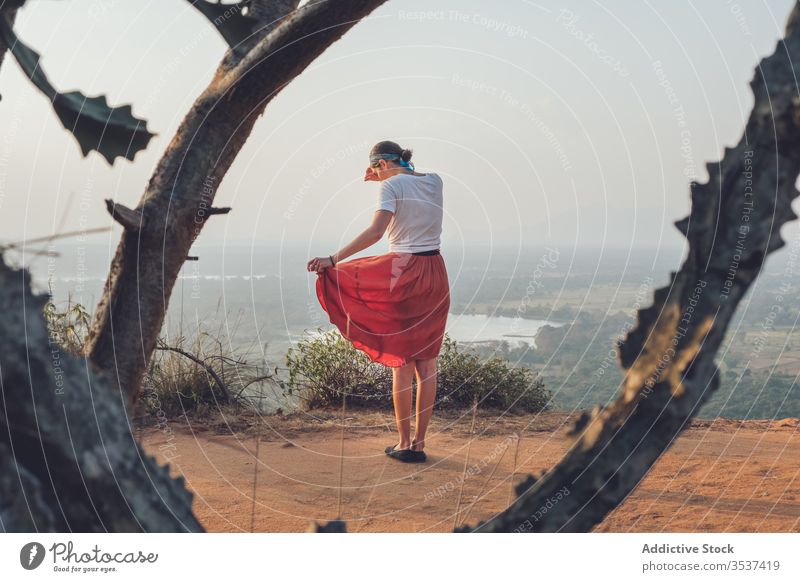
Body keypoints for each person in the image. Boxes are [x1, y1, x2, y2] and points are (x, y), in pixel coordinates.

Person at [307, 140, 450, 463]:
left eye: (374, 168)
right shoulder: (435, 180)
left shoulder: (390, 187)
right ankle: (420, 442)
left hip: (404, 272)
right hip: (436, 274)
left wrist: (333, 259)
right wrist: (387, 175)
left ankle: (402, 443)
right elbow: (411, 181)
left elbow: (375, 232)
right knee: (427, 362)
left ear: (381, 164)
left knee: (403, 361)